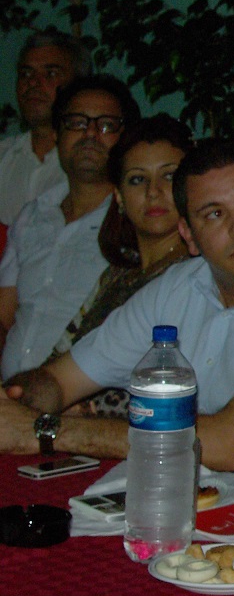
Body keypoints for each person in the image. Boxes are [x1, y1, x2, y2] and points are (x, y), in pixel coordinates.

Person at [0, 138, 234, 486]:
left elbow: (228, 445)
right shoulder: (179, 286)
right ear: (188, 234)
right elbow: (62, 380)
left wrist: (47, 430)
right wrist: (15, 406)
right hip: (184, 501)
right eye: (214, 214)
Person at [44, 115, 195, 418]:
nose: (153, 192)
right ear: (119, 197)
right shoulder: (117, 273)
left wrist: (86, 409)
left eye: (169, 176)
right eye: (138, 179)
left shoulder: (200, 273)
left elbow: (193, 383)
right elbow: (61, 356)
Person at [0, 75, 138, 379]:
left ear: (125, 137)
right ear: (57, 134)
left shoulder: (137, 222)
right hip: (11, 400)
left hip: (84, 405)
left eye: (105, 125)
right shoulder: (33, 215)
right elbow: (5, 316)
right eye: (76, 122)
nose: (90, 134)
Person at [0, 31, 91, 226]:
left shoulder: (93, 165)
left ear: (78, 85)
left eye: (50, 74)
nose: (33, 83)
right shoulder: (3, 156)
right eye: (26, 74)